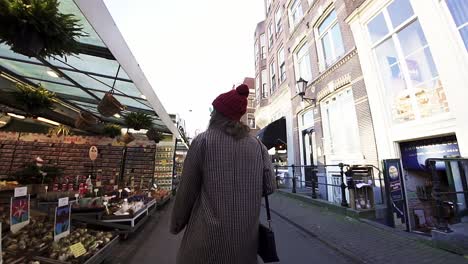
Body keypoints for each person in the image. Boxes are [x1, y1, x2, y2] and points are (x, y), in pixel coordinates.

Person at [170, 84, 276, 264]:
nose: (211, 114)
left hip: (205, 244)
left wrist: (176, 224)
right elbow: (269, 187)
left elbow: (186, 191)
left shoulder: (202, 141)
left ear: (218, 115)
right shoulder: (258, 146)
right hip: (244, 245)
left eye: (214, 111)